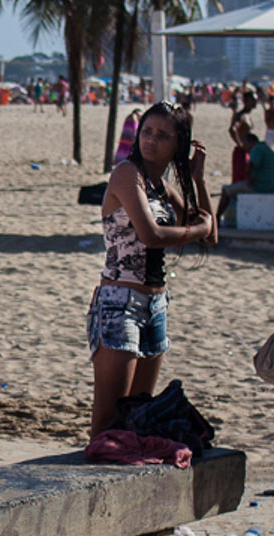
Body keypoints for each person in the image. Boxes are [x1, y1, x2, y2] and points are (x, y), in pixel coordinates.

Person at [90, 103, 212, 437]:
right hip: (120, 303)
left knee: (138, 415)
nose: (151, 141)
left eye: (162, 135)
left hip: (155, 305)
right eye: (147, 132)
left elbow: (211, 232)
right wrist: (195, 232)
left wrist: (198, 180)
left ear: (178, 144)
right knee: (108, 420)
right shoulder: (127, 174)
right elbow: (151, 235)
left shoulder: (161, 185)